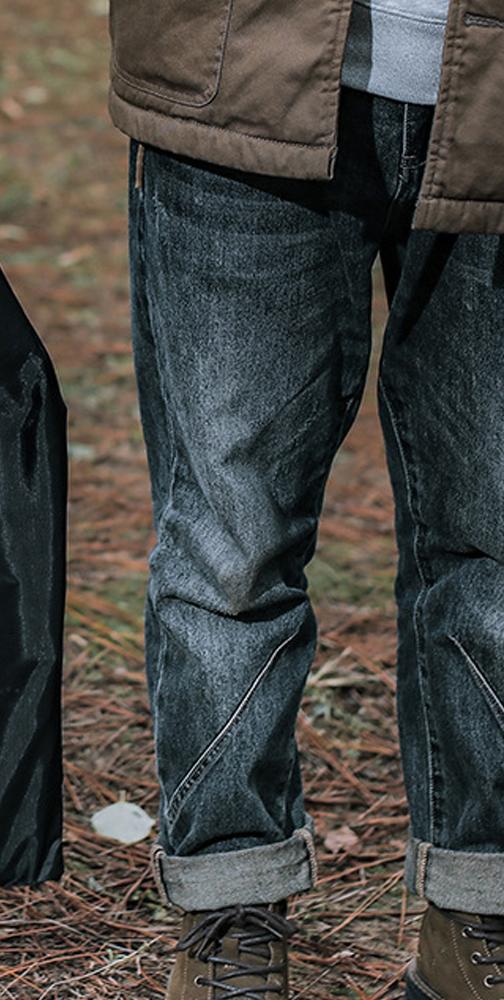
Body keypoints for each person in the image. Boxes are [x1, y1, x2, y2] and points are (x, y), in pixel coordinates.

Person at [107, 0, 504, 996]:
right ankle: (229, 912)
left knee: (498, 545)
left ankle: (482, 914)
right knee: (230, 548)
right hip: (240, 71)